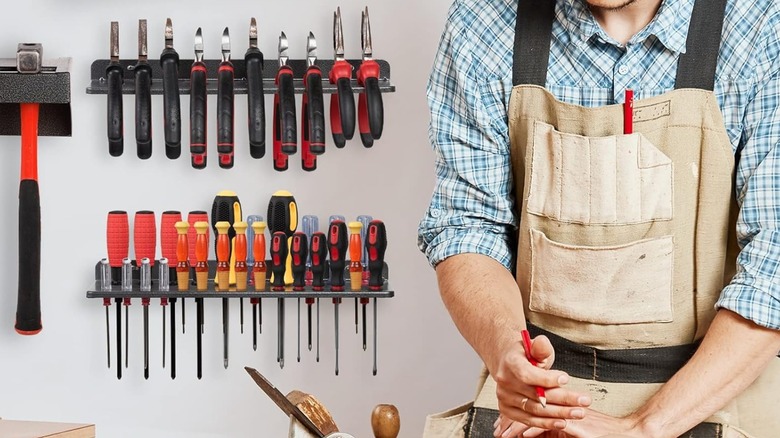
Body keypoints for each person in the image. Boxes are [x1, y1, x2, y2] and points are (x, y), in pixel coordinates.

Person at [417, 0, 780, 436]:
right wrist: (507, 354)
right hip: (543, 402)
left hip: (711, 390)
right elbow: (467, 227)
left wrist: (641, 428)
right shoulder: (484, 24)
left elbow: (772, 268)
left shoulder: (757, 25)